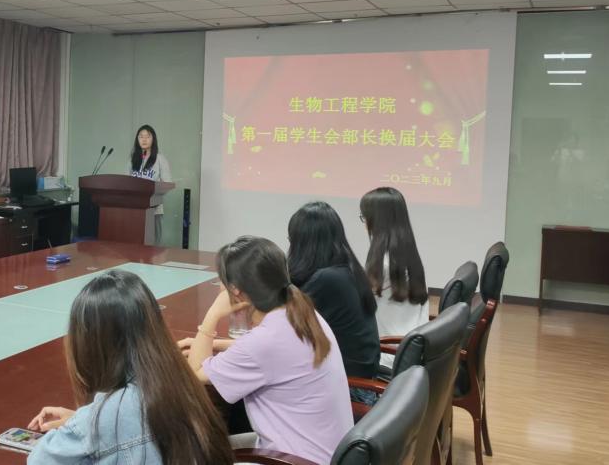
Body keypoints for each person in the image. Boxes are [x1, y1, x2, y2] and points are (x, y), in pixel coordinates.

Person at [26, 270, 233, 465]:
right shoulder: (180, 381)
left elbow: (39, 460)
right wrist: (81, 421)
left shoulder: (104, 417)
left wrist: (83, 424)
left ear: (89, 344)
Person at [181, 236, 352, 464]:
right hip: (328, 451)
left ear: (235, 290)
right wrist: (214, 345)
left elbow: (195, 373)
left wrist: (212, 315)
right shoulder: (301, 311)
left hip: (293, 459)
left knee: (200, 452)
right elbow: (275, 353)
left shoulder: (264, 342)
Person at [287, 201, 380, 402]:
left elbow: (284, 328)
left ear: (303, 243)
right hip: (356, 382)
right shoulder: (347, 268)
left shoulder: (326, 279)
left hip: (350, 389)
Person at [360, 187, 429, 367]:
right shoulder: (408, 255)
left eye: (365, 217)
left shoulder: (383, 265)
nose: (364, 223)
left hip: (387, 354)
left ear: (377, 221)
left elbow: (358, 306)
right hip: (409, 350)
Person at [127, 125, 171, 245]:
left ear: (153, 139)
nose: (144, 139)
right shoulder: (132, 159)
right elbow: (126, 182)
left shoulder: (160, 159)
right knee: (134, 246)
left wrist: (152, 193)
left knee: (153, 247)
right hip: (135, 209)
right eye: (141, 136)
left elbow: (167, 184)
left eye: (147, 136)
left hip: (154, 210)